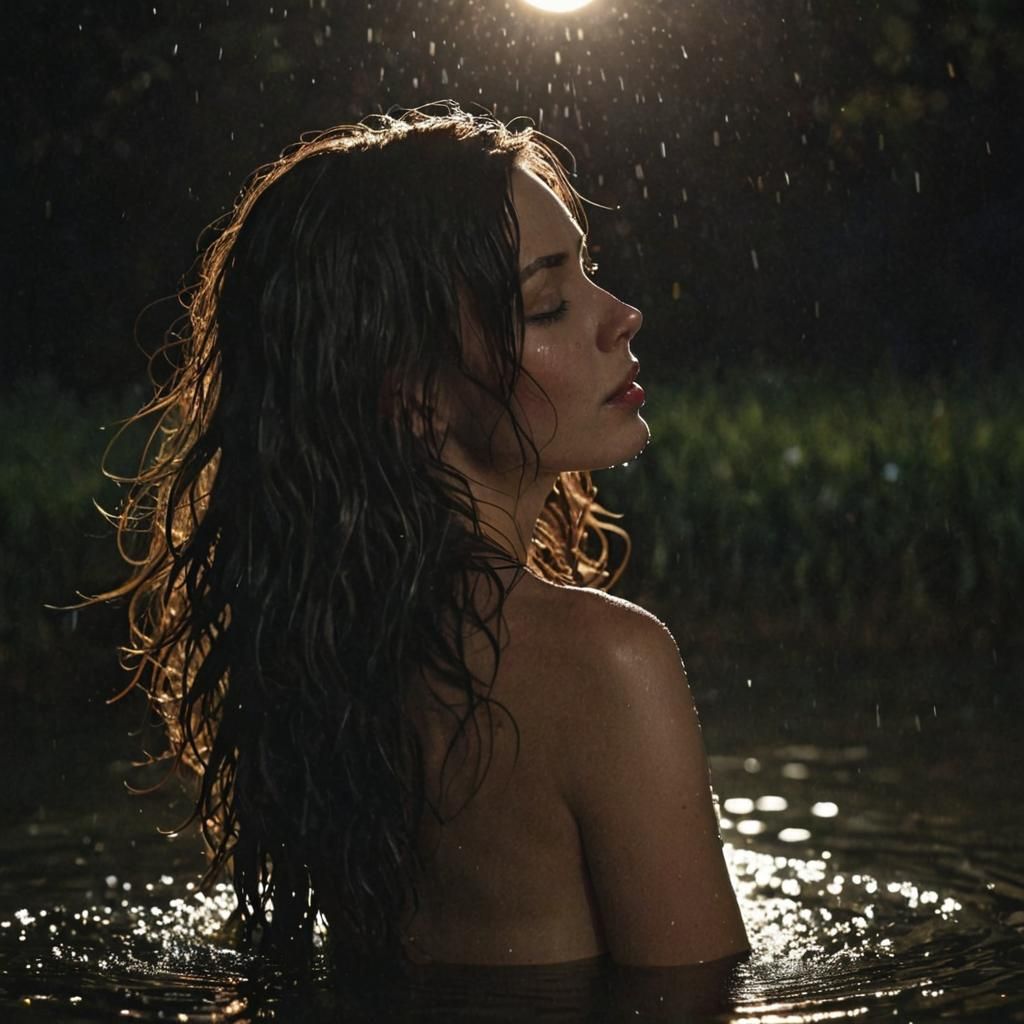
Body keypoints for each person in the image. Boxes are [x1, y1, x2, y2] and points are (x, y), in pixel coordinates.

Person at [103, 103, 748, 974]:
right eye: (549, 304)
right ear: (412, 394)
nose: (621, 315)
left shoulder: (324, 656)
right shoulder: (606, 664)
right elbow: (705, 1000)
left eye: (587, 275)